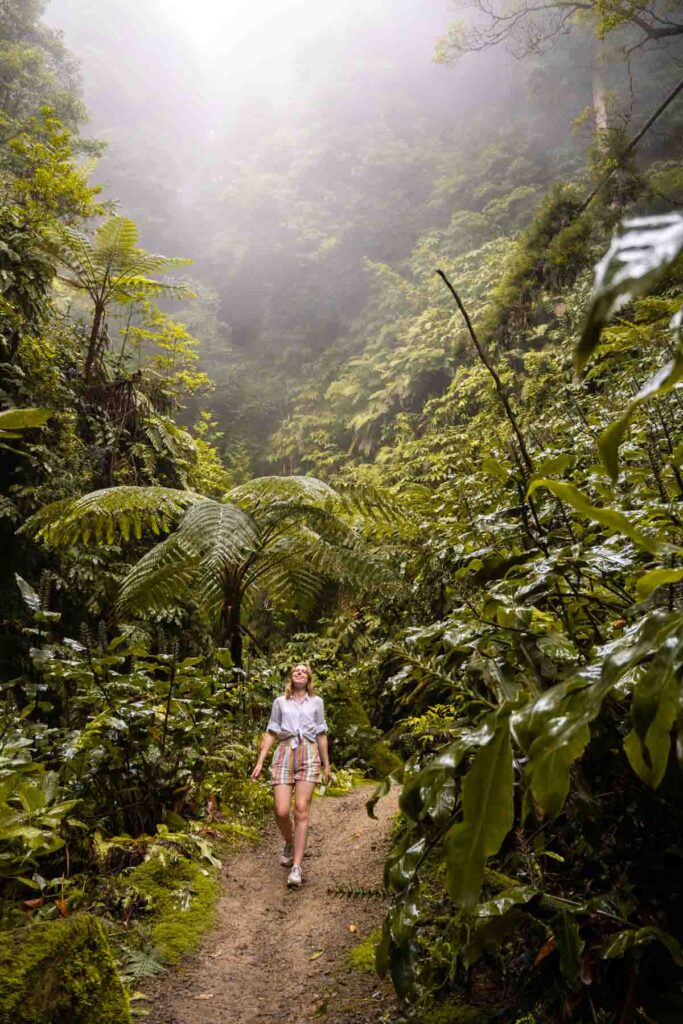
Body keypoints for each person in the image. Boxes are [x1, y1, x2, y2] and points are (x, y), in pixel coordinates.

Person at [250, 663, 331, 888]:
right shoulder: (280, 702)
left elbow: (322, 733)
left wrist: (327, 766)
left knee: (301, 810)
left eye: (304, 671)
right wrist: (260, 761)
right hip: (284, 752)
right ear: (291, 676)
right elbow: (271, 732)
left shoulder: (317, 703)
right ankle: (289, 840)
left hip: (309, 754)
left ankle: (296, 867)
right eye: (296, 670)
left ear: (308, 678)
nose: (299, 673)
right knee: (281, 810)